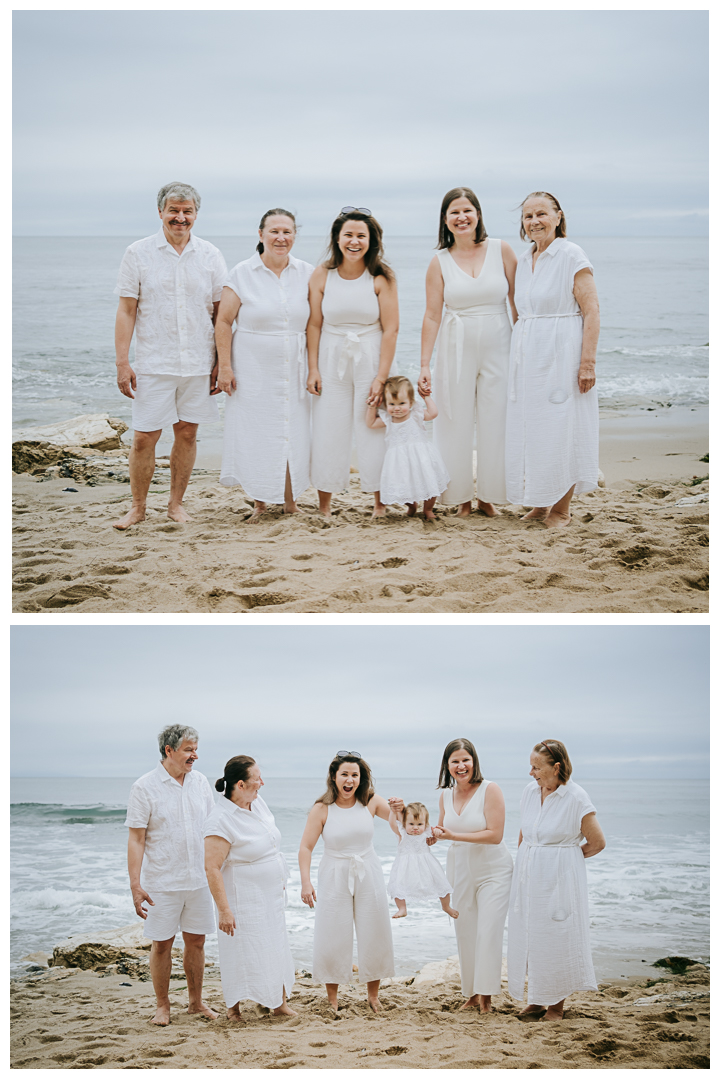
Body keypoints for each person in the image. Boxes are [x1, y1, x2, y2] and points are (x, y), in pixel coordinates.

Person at [112, 182, 228, 530]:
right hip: (154, 361)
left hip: (197, 361)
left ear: (196, 214)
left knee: (188, 433)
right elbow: (127, 310)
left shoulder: (210, 254)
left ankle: (175, 504)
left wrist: (223, 362)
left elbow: (221, 313)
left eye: (187, 211)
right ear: (161, 212)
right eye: (174, 211)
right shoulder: (138, 252)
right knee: (144, 436)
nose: (180, 218)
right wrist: (122, 362)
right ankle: (137, 507)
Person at [418, 187, 517, 517]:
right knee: (452, 420)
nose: (461, 218)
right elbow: (432, 314)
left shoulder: (501, 250)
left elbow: (518, 304)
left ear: (477, 214)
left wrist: (524, 350)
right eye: (453, 213)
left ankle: (490, 496)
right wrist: (424, 364)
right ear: (445, 221)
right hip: (454, 344)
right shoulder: (439, 261)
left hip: (500, 342)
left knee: (496, 418)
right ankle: (459, 498)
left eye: (467, 211)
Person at [506, 192, 600, 528]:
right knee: (534, 429)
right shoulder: (524, 259)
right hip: (529, 355)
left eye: (541, 214)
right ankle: (541, 502)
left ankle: (562, 509)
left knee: (563, 428)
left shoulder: (571, 254)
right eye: (528, 216)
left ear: (558, 216)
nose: (534, 222)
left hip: (562, 351)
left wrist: (586, 363)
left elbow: (591, 310)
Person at [216, 209, 314, 522]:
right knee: (257, 432)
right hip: (252, 367)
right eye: (274, 231)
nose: (280, 238)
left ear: (295, 235)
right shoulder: (242, 273)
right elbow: (223, 321)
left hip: (294, 367)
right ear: (261, 235)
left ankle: (290, 500)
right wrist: (225, 367)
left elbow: (316, 324)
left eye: (287, 231)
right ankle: (259, 501)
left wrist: (315, 367)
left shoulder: (308, 273)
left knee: (293, 431)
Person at [306, 208, 399, 519]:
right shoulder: (322, 274)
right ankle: (324, 505)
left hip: (370, 355)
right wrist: (313, 368)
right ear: (337, 238)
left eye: (361, 235)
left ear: (371, 240)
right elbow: (314, 325)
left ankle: (379, 503)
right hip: (331, 356)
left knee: (372, 429)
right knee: (328, 428)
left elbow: (392, 329)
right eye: (348, 235)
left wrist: (380, 377)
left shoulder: (381, 277)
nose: (354, 241)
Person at [507, 739, 606, 1021]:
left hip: (559, 879)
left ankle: (556, 1006)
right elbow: (525, 832)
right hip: (529, 877)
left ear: (557, 767)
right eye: (531, 766)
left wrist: (565, 863)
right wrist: (523, 863)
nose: (531, 773)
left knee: (556, 937)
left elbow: (597, 843)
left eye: (537, 767)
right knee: (530, 935)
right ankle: (537, 1000)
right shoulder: (530, 791)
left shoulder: (576, 797)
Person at [125, 724, 218, 1026]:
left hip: (199, 880)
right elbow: (136, 839)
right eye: (189, 750)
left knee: (197, 942)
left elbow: (213, 828)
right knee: (162, 944)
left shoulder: (201, 782)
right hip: (162, 882)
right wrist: (135, 884)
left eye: (195, 749)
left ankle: (195, 1003)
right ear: (169, 750)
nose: (195, 755)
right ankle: (162, 1006)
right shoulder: (144, 787)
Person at [298, 752, 395, 1012]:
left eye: (355, 775)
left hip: (368, 869)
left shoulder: (371, 801)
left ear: (361, 779)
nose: (349, 780)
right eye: (345, 774)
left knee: (374, 930)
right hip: (333, 871)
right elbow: (306, 847)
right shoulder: (321, 808)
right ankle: (332, 1000)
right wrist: (305, 883)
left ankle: (373, 996)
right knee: (332, 933)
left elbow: (400, 824)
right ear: (334, 777)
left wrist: (401, 812)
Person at [203, 756, 296, 1021]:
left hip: (270, 895)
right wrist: (224, 911)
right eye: (257, 779)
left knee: (274, 945)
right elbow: (211, 868)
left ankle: (279, 1003)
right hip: (242, 897)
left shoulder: (257, 803)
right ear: (241, 784)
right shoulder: (220, 820)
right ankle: (233, 1009)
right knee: (241, 950)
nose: (262, 783)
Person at [431, 738, 514, 1012]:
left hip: (493, 870)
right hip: (460, 868)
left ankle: (486, 996)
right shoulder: (445, 795)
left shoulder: (490, 789)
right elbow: (442, 829)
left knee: (488, 931)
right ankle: (471, 994)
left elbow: (495, 834)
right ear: (447, 766)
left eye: (465, 759)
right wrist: (430, 837)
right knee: (465, 931)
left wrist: (452, 835)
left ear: (474, 761)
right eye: (454, 761)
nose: (460, 765)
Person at [365, 375, 449, 520]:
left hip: (421, 458)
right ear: (386, 404)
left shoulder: (415, 414)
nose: (397, 408)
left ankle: (428, 509)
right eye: (392, 404)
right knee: (404, 486)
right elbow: (370, 423)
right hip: (400, 462)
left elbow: (433, 413)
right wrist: (372, 406)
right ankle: (412, 506)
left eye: (402, 403)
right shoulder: (388, 419)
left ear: (411, 402)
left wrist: (427, 397)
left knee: (430, 483)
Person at [386, 800, 457, 919]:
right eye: (411, 824)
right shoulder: (402, 834)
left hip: (427, 866)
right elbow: (392, 824)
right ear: (404, 823)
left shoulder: (427, 832)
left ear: (425, 824)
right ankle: (402, 908)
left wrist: (438, 832)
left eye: (419, 824)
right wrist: (393, 812)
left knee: (441, 885)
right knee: (398, 887)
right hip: (405, 867)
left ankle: (446, 906)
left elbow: (439, 832)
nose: (415, 828)